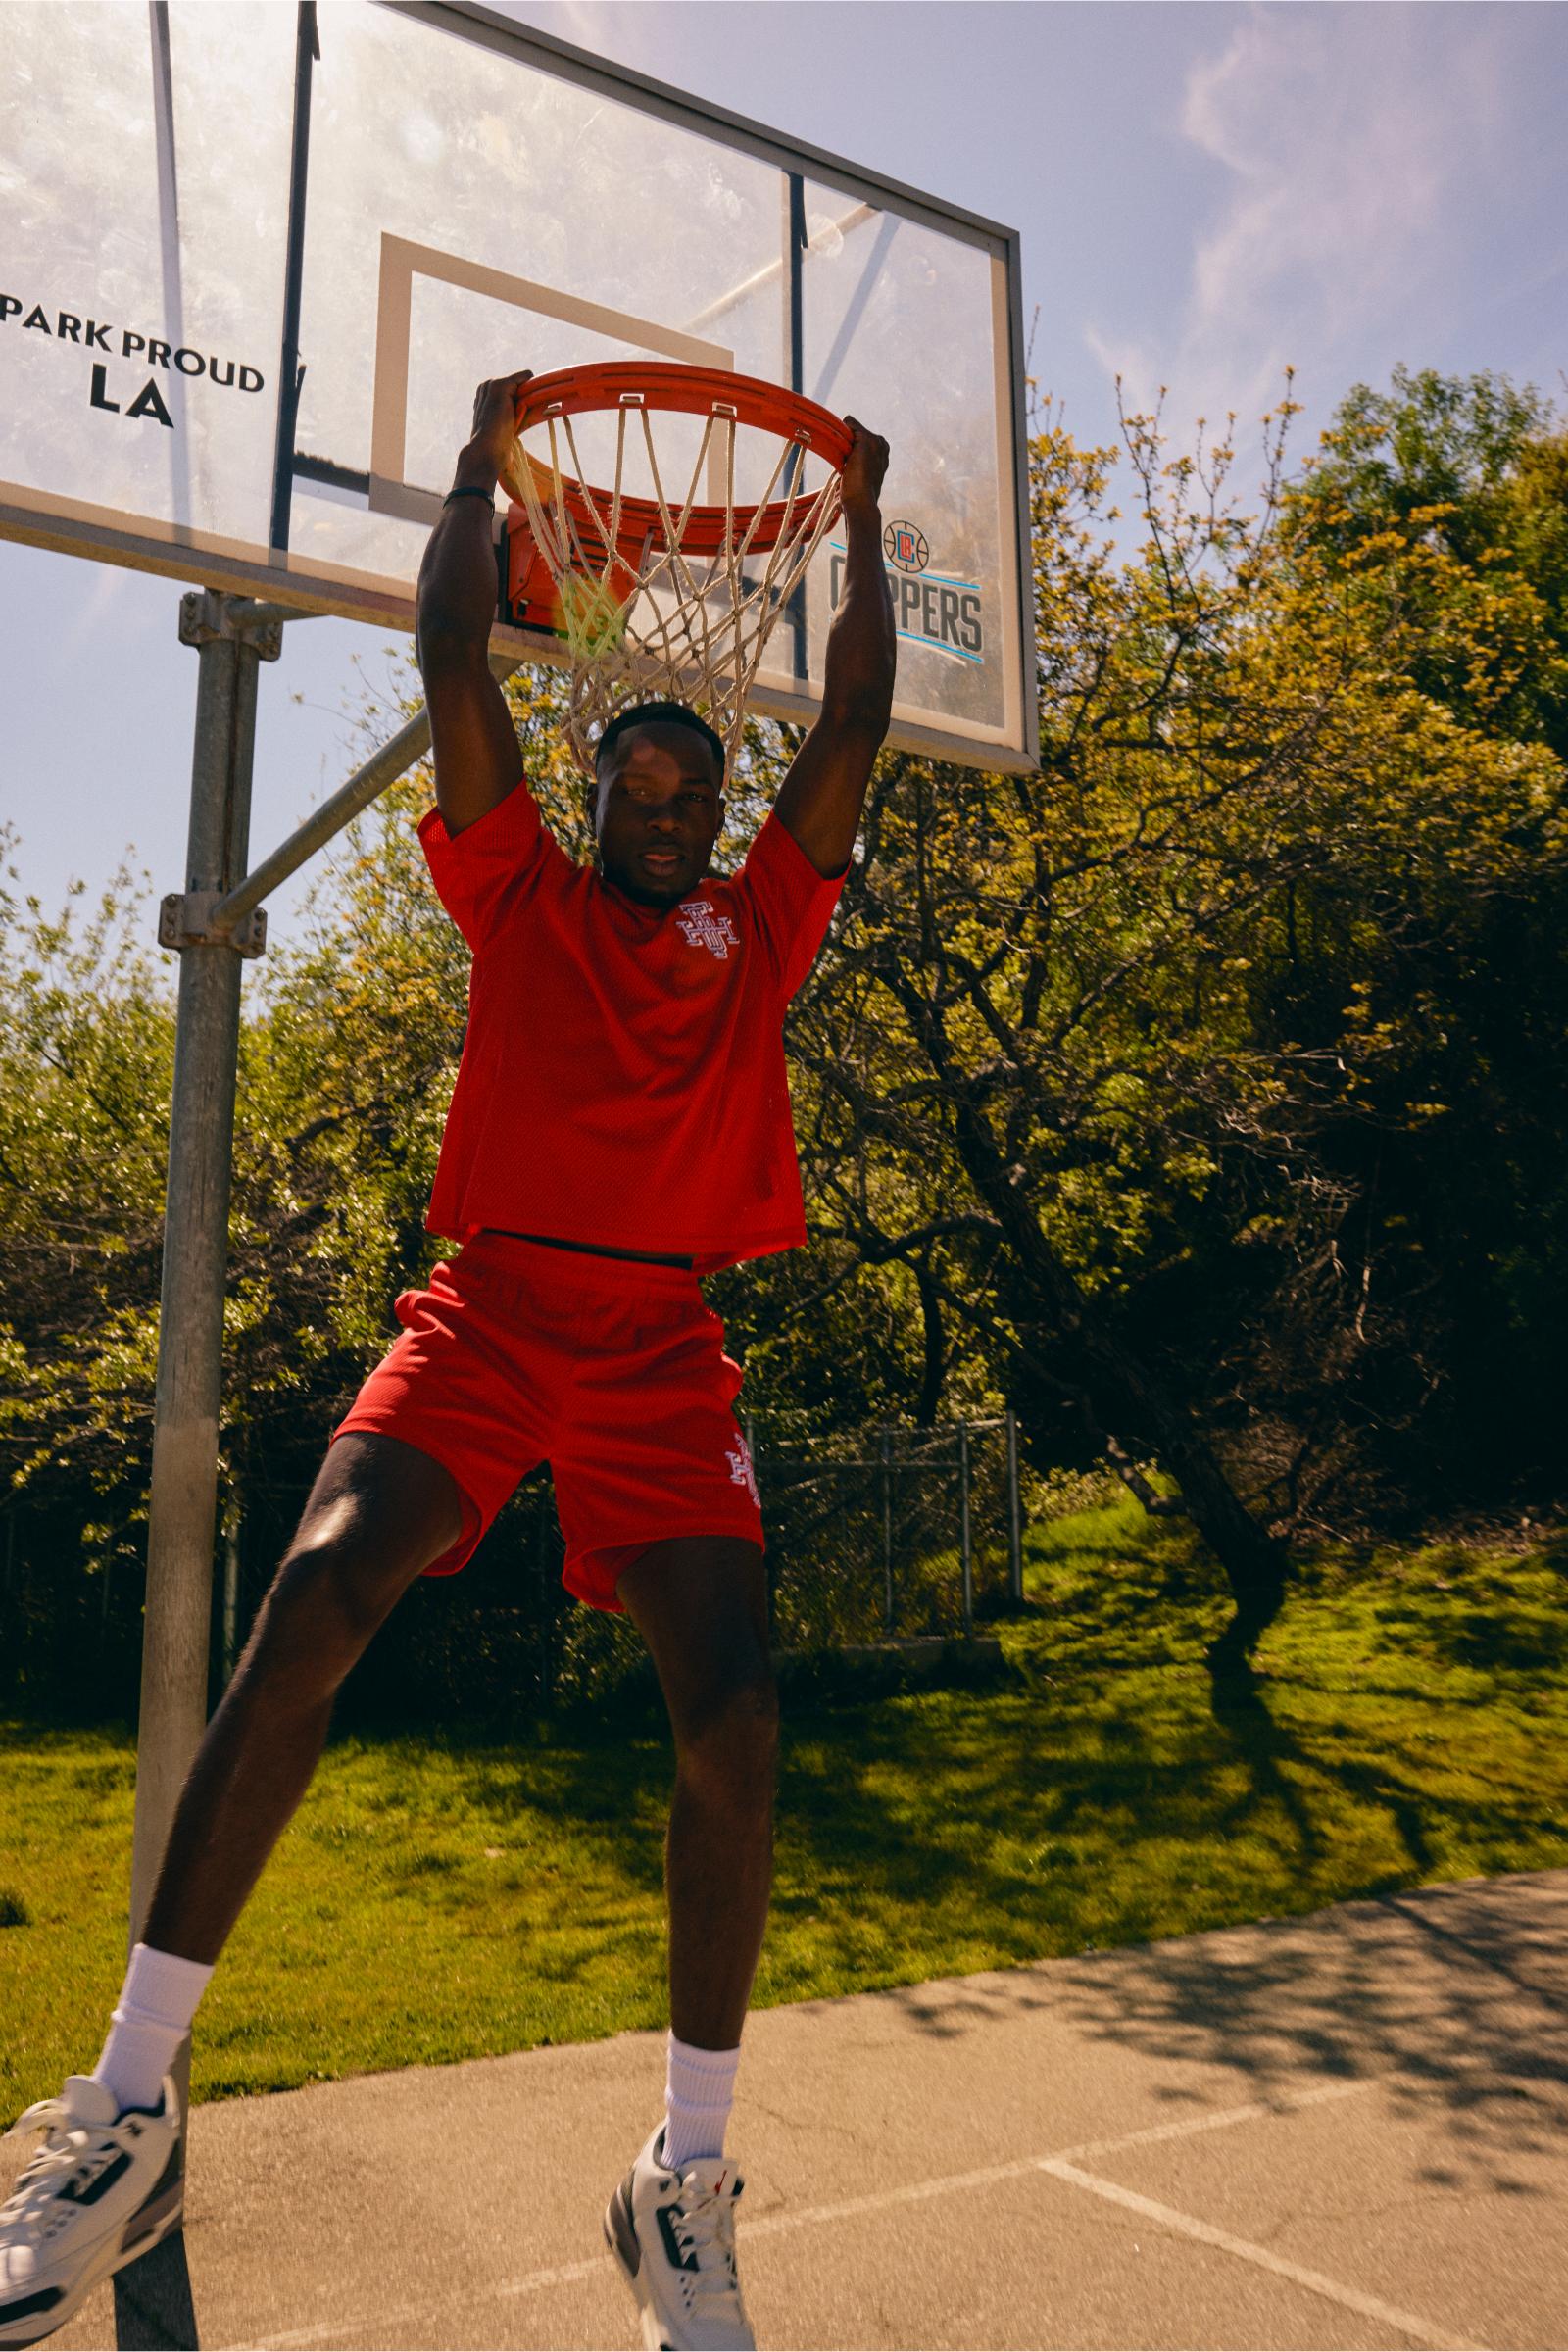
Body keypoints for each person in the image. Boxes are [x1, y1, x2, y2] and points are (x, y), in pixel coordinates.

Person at [0, 369, 894, 2352]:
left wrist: (867, 523)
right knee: (319, 1589)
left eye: (691, 794)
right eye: (637, 789)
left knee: (732, 1717)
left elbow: (849, 721)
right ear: (595, 802)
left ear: (718, 816)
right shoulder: (518, 897)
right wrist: (486, 483)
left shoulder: (766, 932)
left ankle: (682, 2181)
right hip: (490, 1313)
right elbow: (450, 660)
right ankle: (128, 2114)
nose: (666, 809)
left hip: (660, 1344)